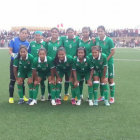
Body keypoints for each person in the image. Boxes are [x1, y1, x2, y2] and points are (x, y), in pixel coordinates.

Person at [8, 28, 30, 103]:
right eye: (22, 33)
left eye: (25, 33)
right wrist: (13, 54)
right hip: (14, 62)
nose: (24, 34)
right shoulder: (14, 40)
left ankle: (23, 96)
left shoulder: (27, 43)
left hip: (22, 63)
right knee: (13, 80)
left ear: (27, 34)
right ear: (19, 33)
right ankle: (11, 97)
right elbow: (10, 50)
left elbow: (28, 53)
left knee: (22, 79)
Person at [95, 26, 115, 104]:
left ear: (104, 32)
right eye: (98, 31)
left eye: (101, 31)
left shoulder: (109, 40)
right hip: (100, 64)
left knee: (110, 80)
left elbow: (113, 51)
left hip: (108, 63)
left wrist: (105, 60)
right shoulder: (96, 40)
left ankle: (112, 97)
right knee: (101, 79)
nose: (100, 33)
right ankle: (102, 96)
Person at [61, 28, 79, 101]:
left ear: (74, 32)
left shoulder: (77, 39)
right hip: (65, 61)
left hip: (73, 62)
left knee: (74, 79)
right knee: (66, 79)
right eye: (68, 32)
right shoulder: (63, 39)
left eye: (71, 32)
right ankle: (66, 93)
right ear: (66, 33)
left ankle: (76, 95)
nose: (70, 33)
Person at [45, 28, 63, 100]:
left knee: (59, 79)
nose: (54, 33)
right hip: (50, 63)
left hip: (59, 63)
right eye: (53, 32)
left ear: (58, 33)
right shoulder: (47, 42)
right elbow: (44, 51)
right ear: (50, 33)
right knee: (50, 79)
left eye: (56, 32)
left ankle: (59, 94)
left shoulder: (61, 41)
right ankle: (50, 94)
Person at [78, 27, 95, 99]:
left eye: (86, 32)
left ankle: (89, 96)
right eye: (83, 32)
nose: (85, 33)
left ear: (89, 32)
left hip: (89, 63)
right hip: (80, 63)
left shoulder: (93, 41)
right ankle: (80, 95)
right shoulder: (79, 40)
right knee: (80, 80)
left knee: (90, 80)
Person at [30, 31, 46, 101]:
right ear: (34, 36)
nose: (37, 37)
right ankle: (34, 96)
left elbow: (46, 53)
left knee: (42, 81)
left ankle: (42, 95)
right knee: (34, 81)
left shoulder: (44, 43)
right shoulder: (31, 43)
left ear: (41, 36)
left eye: (39, 35)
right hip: (34, 65)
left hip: (42, 65)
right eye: (36, 35)